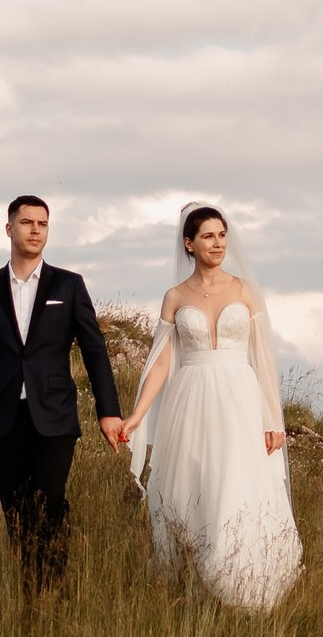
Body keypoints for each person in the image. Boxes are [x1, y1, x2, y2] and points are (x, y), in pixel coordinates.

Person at [119, 204, 303, 611]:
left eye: (222, 235)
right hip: (192, 401)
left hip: (240, 398)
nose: (218, 243)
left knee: (238, 484)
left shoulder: (245, 290)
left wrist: (273, 419)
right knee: (196, 485)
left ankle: (242, 586)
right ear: (189, 243)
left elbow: (264, 358)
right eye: (208, 236)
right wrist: (137, 416)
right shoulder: (175, 297)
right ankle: (197, 583)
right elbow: (162, 361)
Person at [0, 195, 124, 591]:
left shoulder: (68, 285)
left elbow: (94, 349)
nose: (35, 230)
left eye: (42, 224)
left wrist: (109, 411)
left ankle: (55, 591)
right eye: (27, 222)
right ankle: (32, 596)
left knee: (50, 502)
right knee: (16, 513)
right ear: (9, 229)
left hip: (55, 416)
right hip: (0, 420)